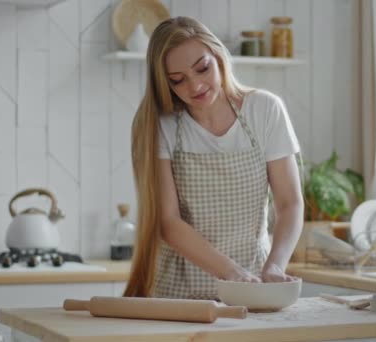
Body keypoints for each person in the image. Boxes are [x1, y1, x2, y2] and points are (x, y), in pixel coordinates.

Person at [124, 16, 304, 299]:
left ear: (218, 57)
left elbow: (290, 203)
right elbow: (168, 222)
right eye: (178, 80)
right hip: (179, 295)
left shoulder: (264, 110)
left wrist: (275, 267)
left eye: (202, 69)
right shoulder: (161, 125)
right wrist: (230, 272)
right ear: (165, 83)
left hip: (254, 288)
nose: (195, 87)